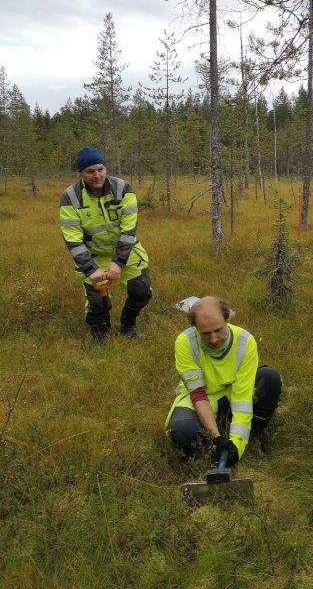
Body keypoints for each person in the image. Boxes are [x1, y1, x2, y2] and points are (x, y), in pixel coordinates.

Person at [166, 295, 282, 465]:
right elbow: (198, 395)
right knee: (182, 431)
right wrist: (217, 439)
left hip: (232, 395)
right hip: (199, 398)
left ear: (227, 320)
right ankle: (206, 450)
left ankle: (252, 438)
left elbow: (242, 398)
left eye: (218, 330)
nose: (213, 339)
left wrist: (237, 444)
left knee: (269, 378)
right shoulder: (185, 342)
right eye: (205, 333)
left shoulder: (245, 341)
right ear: (195, 328)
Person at [59, 146, 152, 343]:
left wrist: (118, 262)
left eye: (100, 169)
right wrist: (90, 269)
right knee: (97, 303)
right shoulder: (70, 197)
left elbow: (129, 230)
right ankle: (101, 333)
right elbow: (73, 239)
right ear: (81, 173)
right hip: (93, 255)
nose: (96, 175)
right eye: (90, 171)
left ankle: (128, 326)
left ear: (105, 168)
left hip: (126, 250)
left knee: (141, 291)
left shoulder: (123, 189)